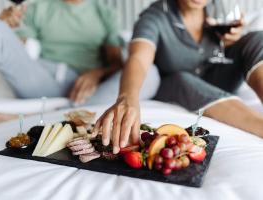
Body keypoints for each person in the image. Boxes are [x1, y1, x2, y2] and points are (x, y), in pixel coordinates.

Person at [93, 0, 263, 154]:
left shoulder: (219, 9)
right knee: (182, 78)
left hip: (220, 77)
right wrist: (126, 97)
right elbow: (138, 57)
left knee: (256, 38)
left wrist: (234, 39)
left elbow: (238, 40)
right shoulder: (155, 16)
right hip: (178, 86)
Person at [0, 0, 159, 129]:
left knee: (150, 72)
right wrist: (3, 25)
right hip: (45, 80)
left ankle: (39, 119)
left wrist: (96, 74)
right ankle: (57, 117)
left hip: (89, 92)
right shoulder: (38, 7)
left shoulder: (105, 13)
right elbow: (15, 49)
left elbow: (117, 64)